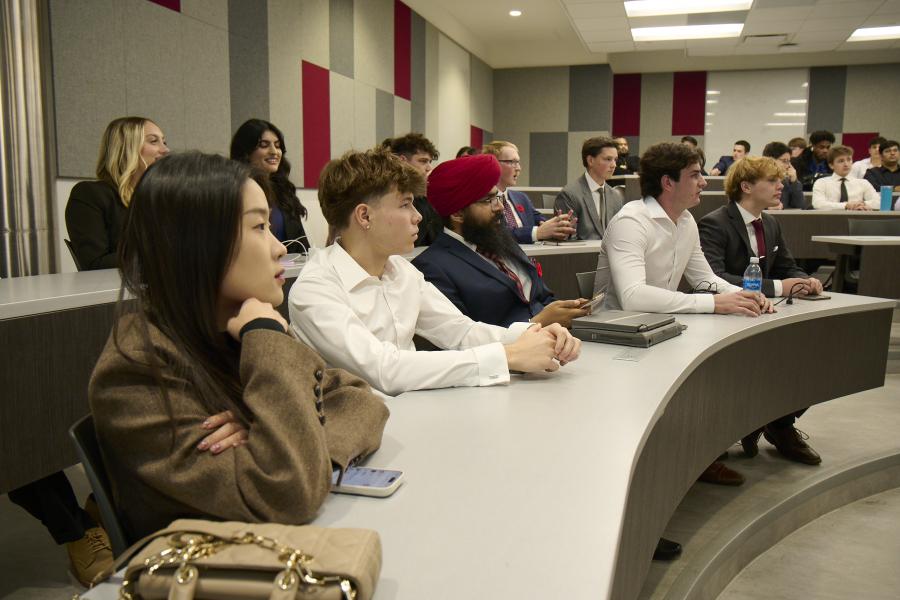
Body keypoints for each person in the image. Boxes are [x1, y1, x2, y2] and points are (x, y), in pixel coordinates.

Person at [89, 152, 388, 540]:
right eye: (259, 227)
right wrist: (267, 342)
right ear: (198, 244)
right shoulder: (136, 370)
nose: (280, 247)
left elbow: (361, 402)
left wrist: (278, 434)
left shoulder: (230, 329)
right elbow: (288, 491)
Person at [289, 148, 580, 396]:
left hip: (412, 415)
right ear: (365, 216)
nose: (418, 216)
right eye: (405, 204)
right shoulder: (315, 289)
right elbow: (384, 370)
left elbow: (460, 331)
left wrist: (534, 334)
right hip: (357, 445)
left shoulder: (401, 271)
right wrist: (508, 355)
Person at [594, 142, 773, 486]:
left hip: (659, 327)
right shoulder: (632, 221)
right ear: (667, 182)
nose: (704, 182)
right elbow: (632, 297)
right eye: (694, 175)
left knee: (720, 365)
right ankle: (665, 466)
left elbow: (704, 278)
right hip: (617, 338)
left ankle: (696, 456)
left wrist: (743, 294)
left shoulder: (686, 221)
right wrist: (713, 303)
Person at [698, 156, 822, 466]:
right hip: (725, 319)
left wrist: (806, 282)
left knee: (818, 355)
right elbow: (714, 277)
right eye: (773, 180)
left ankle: (776, 424)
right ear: (747, 186)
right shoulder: (714, 223)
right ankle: (769, 425)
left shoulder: (770, 222)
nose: (782, 186)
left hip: (766, 314)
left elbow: (788, 267)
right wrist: (781, 287)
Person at [412, 155, 588, 328]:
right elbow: (463, 339)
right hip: (511, 353)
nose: (500, 207)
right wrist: (538, 323)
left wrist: (566, 310)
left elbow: (541, 296)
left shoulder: (500, 240)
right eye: (488, 200)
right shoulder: (432, 267)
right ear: (457, 214)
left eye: (497, 197)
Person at [65, 116, 169, 271]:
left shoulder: (161, 198)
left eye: (164, 142)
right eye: (153, 141)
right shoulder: (90, 194)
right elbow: (94, 264)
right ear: (126, 147)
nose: (166, 150)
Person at [230, 119, 308, 253]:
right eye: (264, 145)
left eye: (277, 146)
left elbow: (302, 247)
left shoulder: (285, 193)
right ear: (246, 152)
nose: (274, 151)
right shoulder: (233, 192)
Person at [482, 141, 575, 242]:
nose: (519, 168)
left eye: (518, 162)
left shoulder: (521, 198)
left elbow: (541, 222)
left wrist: (559, 227)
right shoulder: (482, 200)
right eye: (512, 162)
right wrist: (536, 233)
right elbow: (497, 235)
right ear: (494, 164)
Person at [554, 136, 625, 240]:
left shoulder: (615, 196)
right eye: (608, 159)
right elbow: (567, 241)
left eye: (615, 160)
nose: (614, 165)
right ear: (590, 160)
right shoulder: (569, 195)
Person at [382, 133, 443, 246]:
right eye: (423, 161)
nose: (429, 168)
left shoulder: (423, 196)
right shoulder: (388, 195)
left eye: (430, 162)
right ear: (402, 160)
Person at [812, 145, 880, 210]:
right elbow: (818, 204)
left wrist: (861, 204)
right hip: (829, 220)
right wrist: (846, 205)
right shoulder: (821, 183)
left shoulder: (863, 183)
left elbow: (878, 203)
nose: (846, 164)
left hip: (856, 219)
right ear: (831, 165)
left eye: (849, 160)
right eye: (841, 161)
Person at [762, 141, 805, 209]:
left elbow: (800, 207)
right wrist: (766, 208)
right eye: (784, 161)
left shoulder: (786, 182)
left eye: (789, 161)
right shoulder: (756, 180)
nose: (788, 166)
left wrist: (794, 182)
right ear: (770, 160)